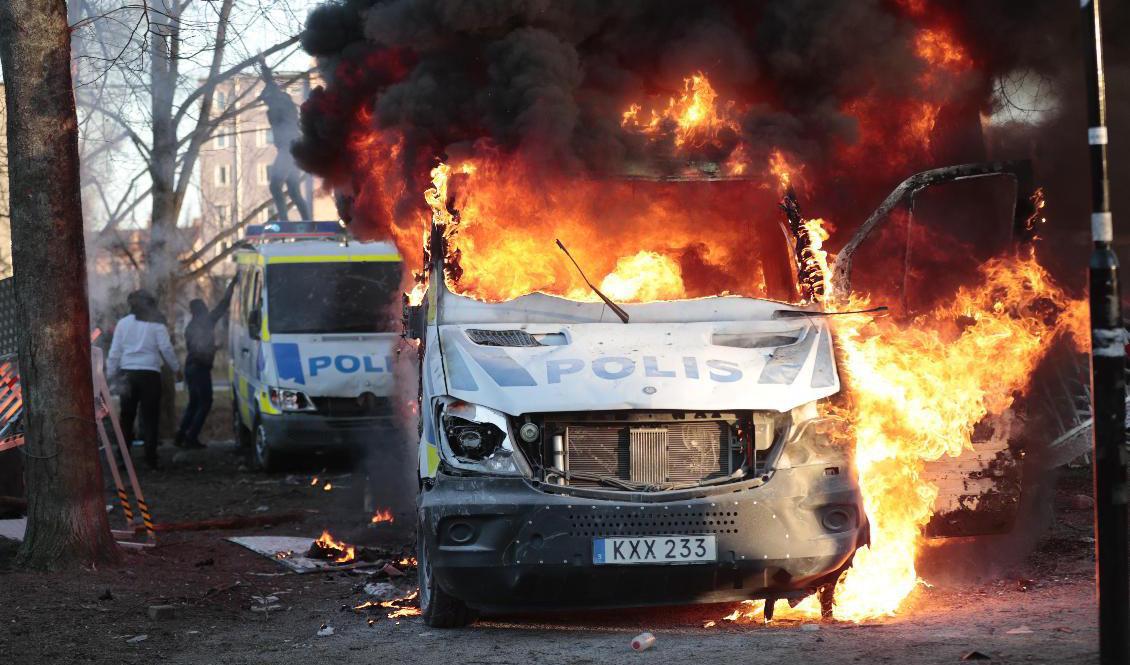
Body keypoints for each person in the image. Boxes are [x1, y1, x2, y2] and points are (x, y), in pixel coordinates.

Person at [107, 290, 181, 470]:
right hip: (150, 375)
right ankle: (150, 458)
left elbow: (115, 351)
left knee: (127, 417)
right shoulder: (157, 324)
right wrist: (177, 369)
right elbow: (166, 349)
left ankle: (123, 458)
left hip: (128, 374)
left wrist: (109, 374)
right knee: (150, 417)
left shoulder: (123, 324)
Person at [175, 277, 238, 449]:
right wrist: (232, 284)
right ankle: (191, 438)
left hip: (191, 367)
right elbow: (223, 304)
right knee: (205, 402)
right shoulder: (206, 322)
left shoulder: (191, 327)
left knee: (194, 403)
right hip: (200, 369)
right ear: (201, 310)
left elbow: (198, 348)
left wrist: (214, 347)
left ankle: (181, 435)